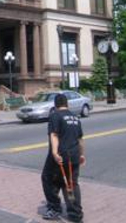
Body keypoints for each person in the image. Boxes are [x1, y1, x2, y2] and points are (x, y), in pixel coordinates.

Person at [41, 93, 85, 222]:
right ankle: (75, 214)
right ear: (67, 104)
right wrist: (82, 154)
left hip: (60, 155)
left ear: (55, 105)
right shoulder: (75, 118)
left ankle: (54, 208)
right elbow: (80, 139)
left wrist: (54, 153)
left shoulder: (55, 116)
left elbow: (54, 135)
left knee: (47, 178)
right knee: (70, 184)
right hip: (74, 155)